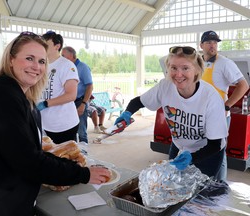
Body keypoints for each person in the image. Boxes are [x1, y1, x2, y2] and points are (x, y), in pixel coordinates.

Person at [0, 31, 111, 216]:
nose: (36, 67)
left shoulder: (19, 96)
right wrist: (83, 174)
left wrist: (75, 167)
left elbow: (32, 153)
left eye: (42, 61)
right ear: (10, 59)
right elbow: (29, 161)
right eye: (29, 58)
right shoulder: (2, 95)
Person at [115, 46, 228, 180]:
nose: (178, 75)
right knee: (172, 186)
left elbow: (215, 144)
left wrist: (192, 157)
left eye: (185, 68)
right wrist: (127, 114)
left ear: (197, 70)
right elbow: (138, 101)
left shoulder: (210, 98)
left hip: (207, 152)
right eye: (173, 68)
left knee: (201, 193)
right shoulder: (165, 86)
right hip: (179, 145)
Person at [200, 30, 249, 181]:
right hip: (200, 115)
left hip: (218, 117)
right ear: (201, 45)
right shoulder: (197, 62)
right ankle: (203, 183)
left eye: (215, 42)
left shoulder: (225, 63)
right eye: (208, 42)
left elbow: (243, 85)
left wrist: (227, 105)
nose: (212, 45)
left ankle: (220, 186)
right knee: (201, 150)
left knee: (218, 152)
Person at [37, 31, 80, 144]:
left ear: (57, 46)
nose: (43, 47)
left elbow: (71, 95)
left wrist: (45, 103)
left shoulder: (66, 65)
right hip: (45, 124)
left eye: (46, 44)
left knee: (66, 157)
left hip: (64, 124)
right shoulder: (41, 65)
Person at [62, 46, 93, 144]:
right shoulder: (66, 67)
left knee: (81, 131)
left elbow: (90, 86)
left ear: (71, 55)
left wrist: (83, 104)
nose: (61, 58)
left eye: (63, 55)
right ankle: (73, 154)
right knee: (70, 130)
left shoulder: (83, 67)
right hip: (68, 102)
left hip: (80, 102)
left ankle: (84, 156)